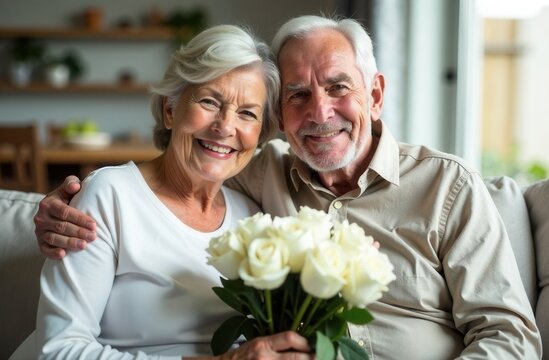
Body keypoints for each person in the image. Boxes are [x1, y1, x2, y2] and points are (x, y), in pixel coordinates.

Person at [34, 15, 542, 359]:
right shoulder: (259, 177)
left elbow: (509, 336)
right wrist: (64, 201)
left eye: (339, 87)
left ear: (376, 94)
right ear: (281, 118)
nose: (320, 113)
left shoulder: (447, 188)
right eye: (298, 94)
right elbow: (174, 177)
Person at [19, 24, 314, 360]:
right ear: (170, 109)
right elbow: (58, 350)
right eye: (209, 101)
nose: (225, 127)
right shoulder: (110, 195)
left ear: (261, 133)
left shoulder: (252, 217)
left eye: (247, 113)